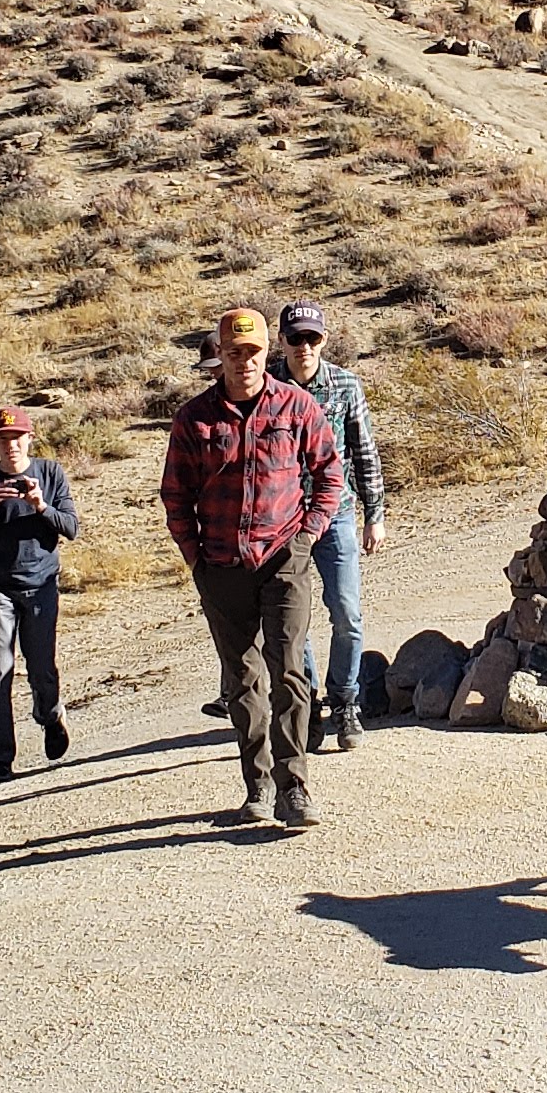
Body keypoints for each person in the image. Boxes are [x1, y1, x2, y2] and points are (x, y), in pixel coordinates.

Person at [162, 306, 344, 827]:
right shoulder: (194, 419)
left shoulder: (296, 407)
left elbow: (329, 473)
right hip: (220, 564)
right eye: (234, 352)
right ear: (219, 355)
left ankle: (295, 788)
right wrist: (194, 556)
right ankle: (258, 785)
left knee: (288, 671)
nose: (244, 362)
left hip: (285, 558)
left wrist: (308, 534)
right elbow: (176, 494)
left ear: (269, 354)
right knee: (243, 678)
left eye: (254, 353)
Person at [276, 300, 387, 751]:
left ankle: (347, 703)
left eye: (313, 338)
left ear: (324, 339)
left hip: (337, 513)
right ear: (281, 341)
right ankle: (308, 706)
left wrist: (374, 515)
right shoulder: (267, 388)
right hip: (284, 521)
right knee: (292, 621)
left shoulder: (344, 384)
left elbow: (364, 451)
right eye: (295, 338)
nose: (305, 346)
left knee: (347, 613)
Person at [0, 404, 81, 785]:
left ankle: (50, 716)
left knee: (41, 667)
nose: (11, 445)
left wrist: (40, 505)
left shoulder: (50, 473)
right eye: (3, 438)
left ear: (30, 438)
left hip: (42, 583)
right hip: (0, 587)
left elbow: (71, 528)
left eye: (17, 437)